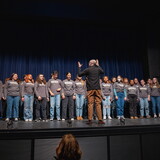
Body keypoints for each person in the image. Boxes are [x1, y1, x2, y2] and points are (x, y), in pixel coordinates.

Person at [78, 59, 105, 124]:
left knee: (90, 104)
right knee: (98, 104)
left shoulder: (88, 69)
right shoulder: (98, 69)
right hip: (97, 89)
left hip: (90, 89)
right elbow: (102, 72)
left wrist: (79, 67)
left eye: (89, 62)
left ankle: (90, 120)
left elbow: (79, 74)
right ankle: (100, 120)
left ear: (90, 63)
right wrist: (98, 66)